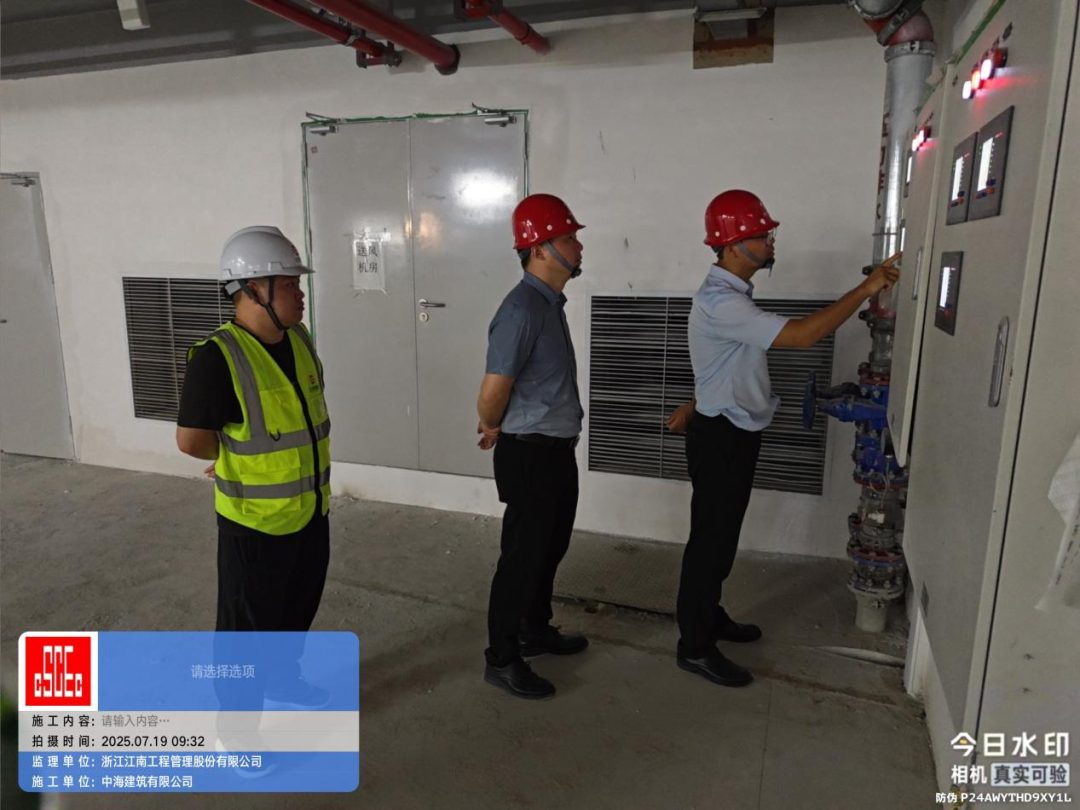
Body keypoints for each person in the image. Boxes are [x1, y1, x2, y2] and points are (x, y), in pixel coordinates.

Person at [667, 190, 900, 688]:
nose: (771, 241)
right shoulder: (722, 301)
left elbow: (722, 362)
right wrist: (867, 288)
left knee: (721, 538)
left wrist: (696, 399)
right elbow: (803, 336)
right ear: (733, 245)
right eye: (761, 234)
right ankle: (695, 646)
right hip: (721, 435)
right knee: (710, 542)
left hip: (730, 428)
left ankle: (709, 616)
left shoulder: (730, 296)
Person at [176, 225, 332, 708]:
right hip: (254, 526)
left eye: (297, 283)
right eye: (288, 284)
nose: (300, 294)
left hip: (310, 512)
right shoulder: (217, 357)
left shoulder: (298, 339)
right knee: (245, 632)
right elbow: (192, 441)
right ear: (251, 290)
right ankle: (238, 725)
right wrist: (227, 456)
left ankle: (283, 680)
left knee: (295, 611)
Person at [475, 194, 589, 700]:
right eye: (569, 237)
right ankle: (502, 658)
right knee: (521, 559)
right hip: (530, 454)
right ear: (540, 249)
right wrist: (491, 423)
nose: (579, 246)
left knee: (550, 547)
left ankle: (534, 629)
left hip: (555, 450)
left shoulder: (547, 305)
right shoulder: (521, 310)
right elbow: (493, 390)